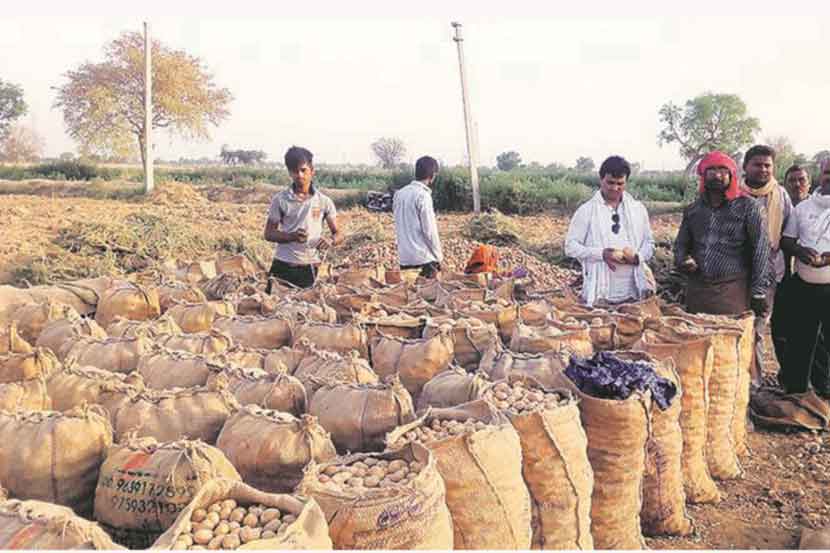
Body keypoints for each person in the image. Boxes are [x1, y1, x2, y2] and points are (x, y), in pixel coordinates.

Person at [674, 151, 771, 319]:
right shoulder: (693, 210)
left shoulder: (748, 207)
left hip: (732, 290)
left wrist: (758, 293)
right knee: (697, 338)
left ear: (731, 174)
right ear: (703, 175)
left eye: (723, 170)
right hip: (698, 291)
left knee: (730, 340)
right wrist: (682, 259)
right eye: (711, 170)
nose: (717, 175)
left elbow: (761, 251)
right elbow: (681, 245)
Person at [565, 155, 655, 307]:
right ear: (601, 180)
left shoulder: (638, 209)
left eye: (620, 183)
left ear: (626, 182)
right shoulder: (587, 210)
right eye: (610, 183)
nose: (615, 188)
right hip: (601, 294)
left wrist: (637, 258)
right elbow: (570, 247)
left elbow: (649, 244)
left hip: (634, 292)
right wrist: (601, 254)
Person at [740, 145, 793, 380]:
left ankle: (756, 383)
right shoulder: (734, 195)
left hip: (770, 275)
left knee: (759, 331)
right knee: (739, 329)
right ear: (745, 167)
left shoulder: (780, 196)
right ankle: (737, 382)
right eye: (757, 164)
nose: (763, 169)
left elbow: (789, 235)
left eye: (767, 165)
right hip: (736, 274)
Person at [779, 159, 830, 397]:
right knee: (801, 341)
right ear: (821, 175)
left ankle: (825, 390)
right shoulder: (802, 208)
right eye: (827, 172)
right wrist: (800, 251)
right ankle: (798, 392)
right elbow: (787, 240)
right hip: (804, 286)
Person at [263, 146, 342, 291]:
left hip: (311, 267)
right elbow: (268, 233)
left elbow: (338, 234)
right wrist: (291, 236)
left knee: (309, 310)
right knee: (270, 310)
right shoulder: (280, 200)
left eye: (303, 170)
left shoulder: (324, 201)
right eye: (294, 171)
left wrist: (330, 240)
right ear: (289, 173)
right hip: (283, 265)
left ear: (312, 171)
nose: (299, 175)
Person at [771, 164, 815, 369]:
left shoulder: (818, 210)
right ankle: (787, 375)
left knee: (812, 332)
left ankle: (813, 382)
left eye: (802, 180)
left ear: (809, 184)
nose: (797, 184)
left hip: (812, 282)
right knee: (780, 329)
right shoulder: (776, 210)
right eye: (792, 180)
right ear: (785, 184)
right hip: (782, 280)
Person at [393, 156, 444, 279]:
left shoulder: (399, 194)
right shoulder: (423, 196)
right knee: (427, 296)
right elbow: (429, 231)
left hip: (405, 259)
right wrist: (439, 257)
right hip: (423, 260)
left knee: (410, 296)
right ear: (432, 175)